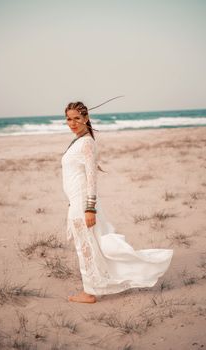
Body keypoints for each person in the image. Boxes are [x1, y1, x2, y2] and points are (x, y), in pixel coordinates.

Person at [61, 101, 173, 303]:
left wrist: (89, 208)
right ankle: (94, 286)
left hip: (83, 204)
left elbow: (91, 178)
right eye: (69, 119)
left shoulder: (86, 143)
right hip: (76, 202)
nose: (72, 123)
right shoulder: (78, 141)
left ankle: (90, 292)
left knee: (86, 246)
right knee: (90, 245)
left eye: (77, 118)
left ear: (86, 118)